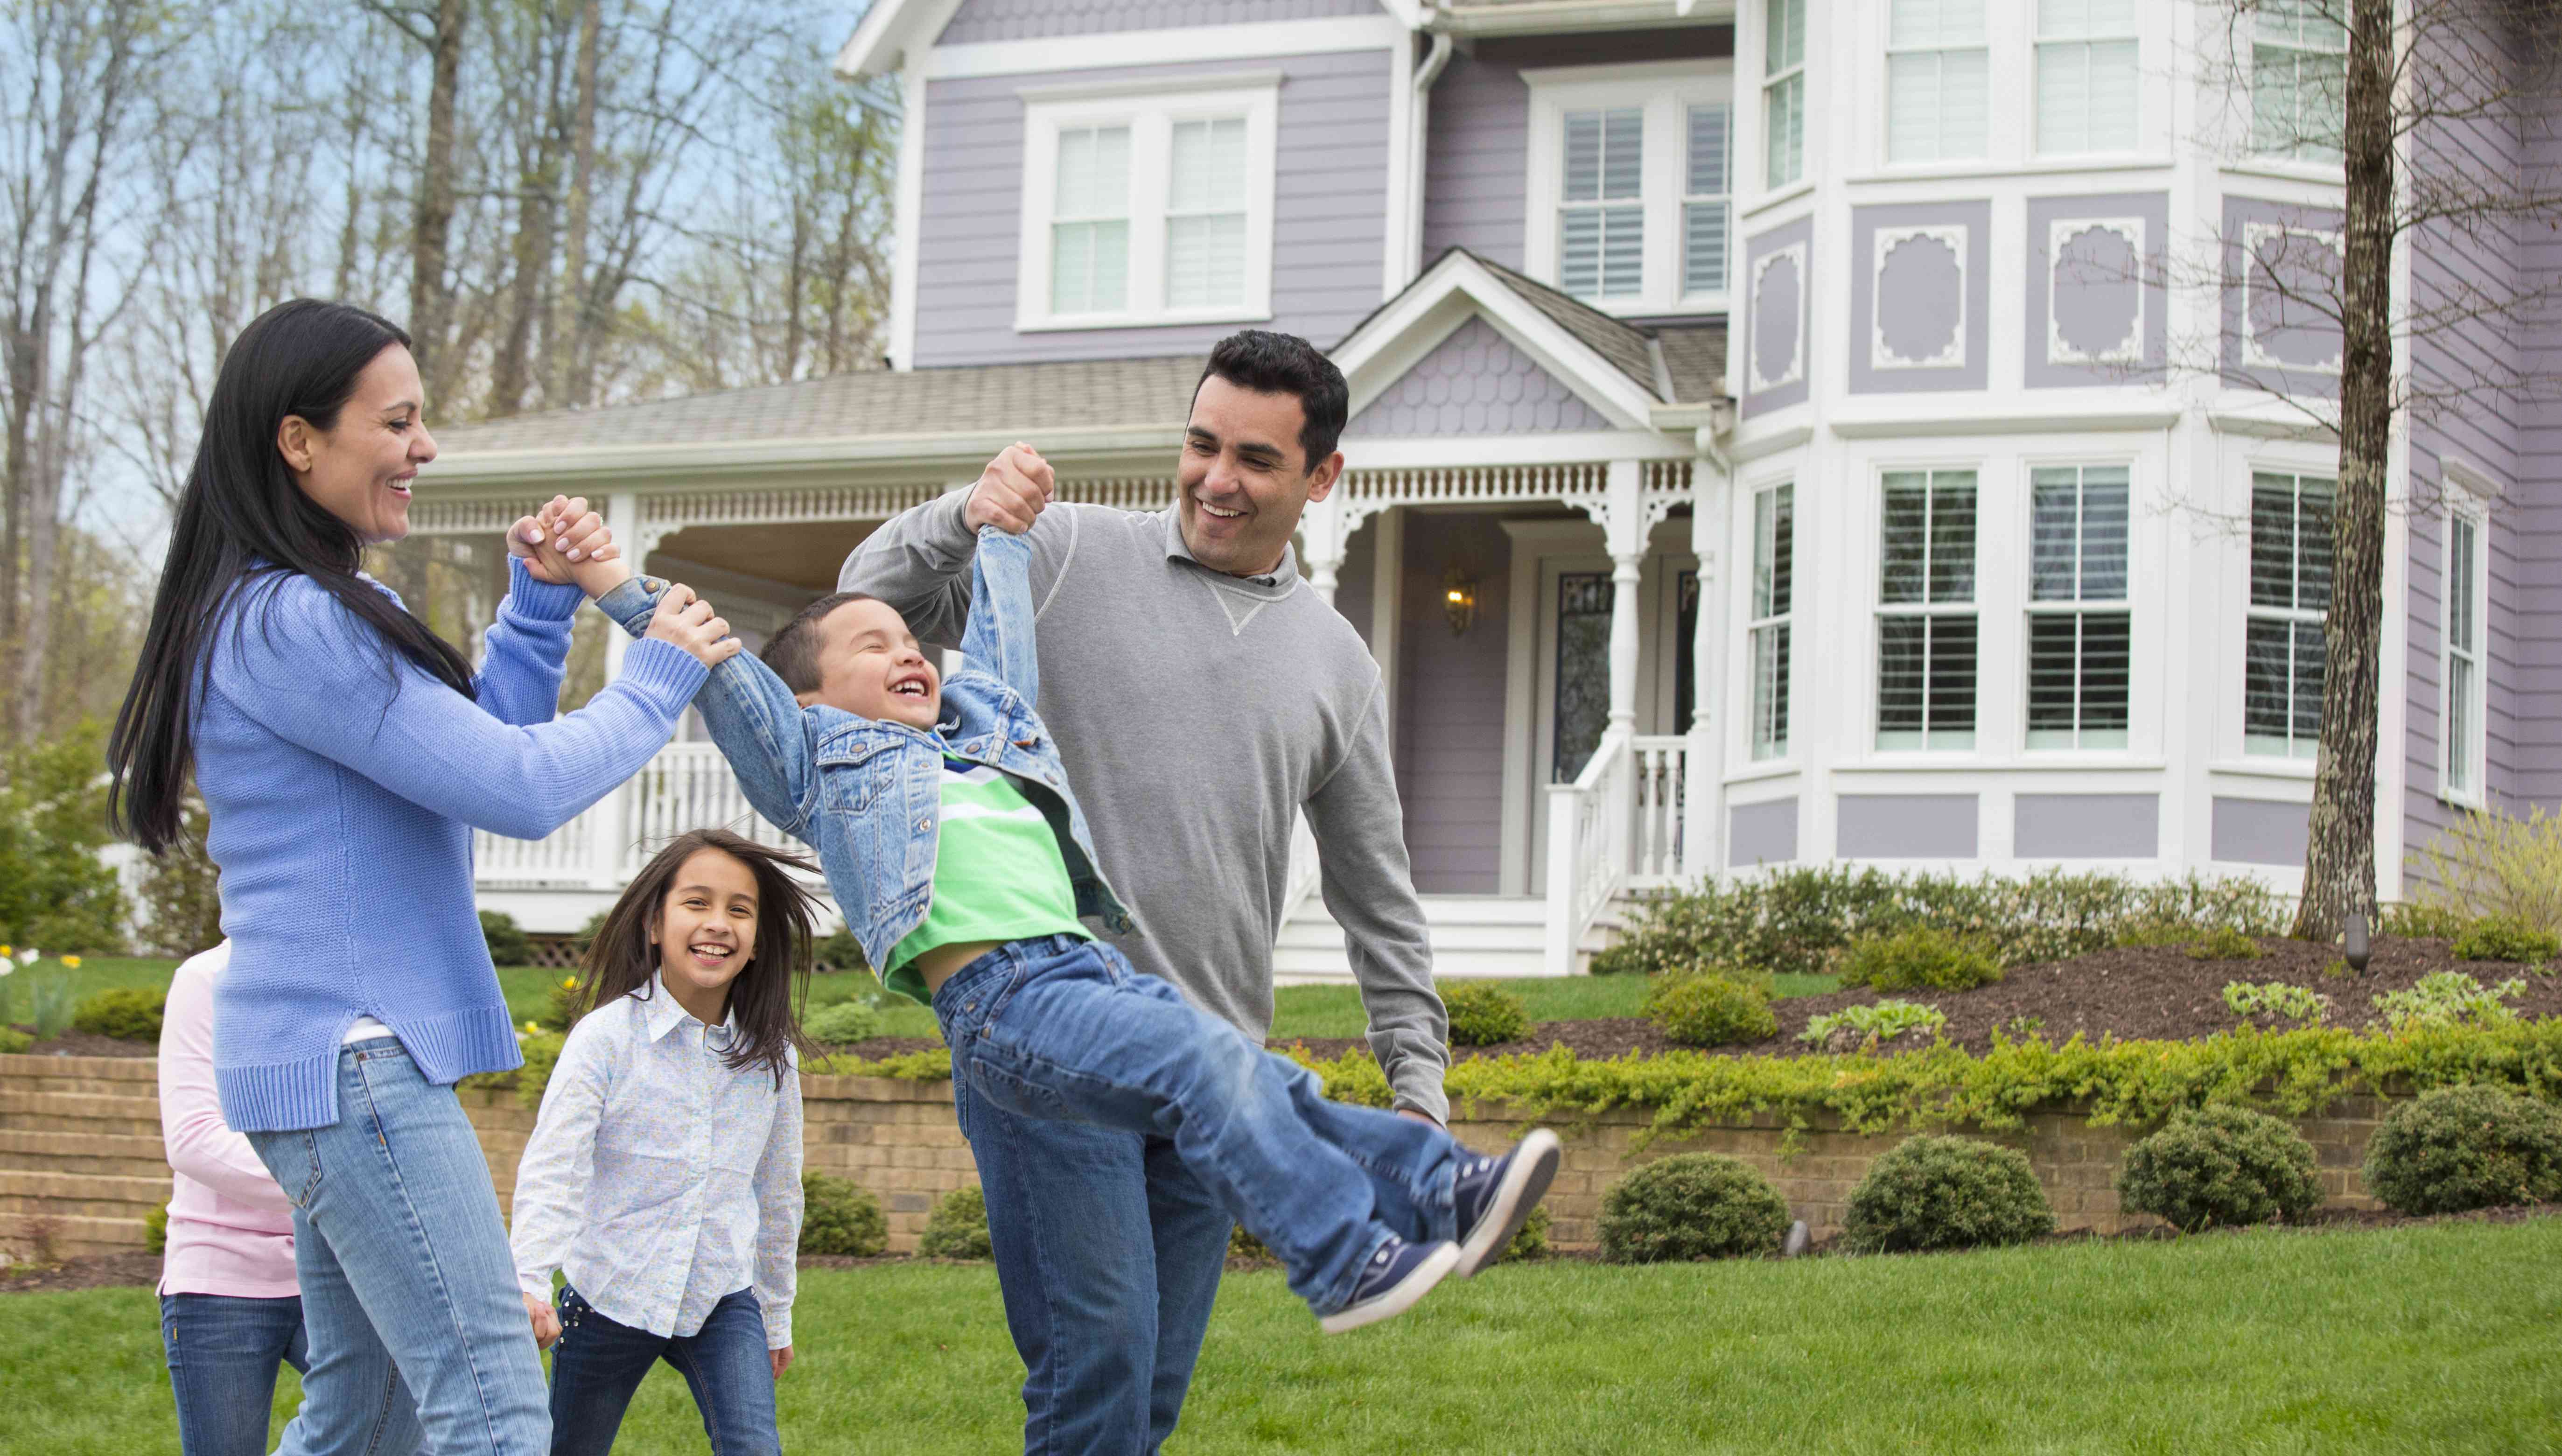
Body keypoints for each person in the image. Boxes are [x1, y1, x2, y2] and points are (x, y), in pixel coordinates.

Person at [553, 515, 1559, 1345]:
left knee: (1259, 1075)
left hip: (1085, 974)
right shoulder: (817, 764)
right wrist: (609, 577)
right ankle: (1339, 1259)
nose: (909, 653)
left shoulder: (982, 746)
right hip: (1001, 999)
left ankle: (1443, 1191)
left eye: (911, 643)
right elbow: (732, 682)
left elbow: (999, 657)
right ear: (812, 697)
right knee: (1202, 1068)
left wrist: (1002, 536)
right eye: (874, 646)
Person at [105, 297, 739, 1456]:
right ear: (300, 441)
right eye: (396, 420)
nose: (424, 445)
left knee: (368, 1411)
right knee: (494, 1405)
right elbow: (518, 786)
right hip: (354, 1062)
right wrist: (658, 679)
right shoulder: (285, 618)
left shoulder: (308, 610)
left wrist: (540, 609)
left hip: (335, 1067)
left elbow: (467, 762)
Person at [840, 329, 1447, 1449]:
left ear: (1322, 477)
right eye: (1201, 444)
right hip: (1049, 1043)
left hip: (1210, 1079)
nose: (1217, 479)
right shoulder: (1061, 550)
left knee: (1145, 1398)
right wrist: (965, 514)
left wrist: (1419, 1084)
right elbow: (857, 605)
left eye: (1256, 460)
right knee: (1098, 1370)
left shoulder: (1338, 661)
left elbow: (1379, 894)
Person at [509, 829, 818, 1456]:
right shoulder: (605, 1039)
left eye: (739, 909)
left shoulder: (771, 1058)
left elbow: (780, 1191)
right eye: (696, 903)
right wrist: (530, 1279)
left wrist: (775, 1314)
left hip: (720, 1299)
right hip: (609, 1297)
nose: (718, 923)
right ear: (655, 924)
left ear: (756, 942)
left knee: (756, 1446)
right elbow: (555, 1167)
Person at [159, 939, 421, 1456]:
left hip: (342, 1266)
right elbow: (192, 1140)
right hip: (221, 1276)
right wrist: (336, 1187)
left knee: (403, 1431)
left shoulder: (359, 980)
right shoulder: (206, 979)